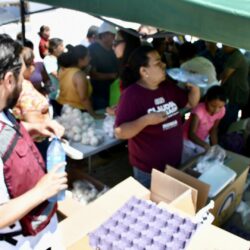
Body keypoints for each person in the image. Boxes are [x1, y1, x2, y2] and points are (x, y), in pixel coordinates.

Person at [0, 34, 67, 249]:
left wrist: (32, 127)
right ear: (9, 79)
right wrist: (41, 191)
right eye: (21, 76)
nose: (25, 82)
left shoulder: (4, 111)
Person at [115, 46, 200, 187]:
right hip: (149, 170)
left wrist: (195, 86)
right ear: (144, 71)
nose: (164, 65)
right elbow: (120, 132)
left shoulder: (167, 86)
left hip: (174, 163)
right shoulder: (131, 95)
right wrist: (146, 120)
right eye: (158, 63)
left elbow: (191, 103)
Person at [182, 86, 227, 164]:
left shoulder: (222, 111)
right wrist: (205, 145)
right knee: (187, 163)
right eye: (213, 106)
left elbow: (213, 130)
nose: (216, 110)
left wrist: (215, 146)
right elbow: (191, 134)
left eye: (220, 107)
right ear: (206, 100)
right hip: (187, 140)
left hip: (202, 138)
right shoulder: (199, 111)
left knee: (201, 161)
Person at [57, 45, 99, 117]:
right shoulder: (79, 75)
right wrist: (94, 115)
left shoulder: (62, 70)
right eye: (88, 56)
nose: (90, 58)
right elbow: (84, 98)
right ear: (80, 60)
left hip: (62, 109)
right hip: (77, 113)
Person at [219, 45, 249, 134]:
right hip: (237, 91)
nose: (223, 47)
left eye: (225, 45)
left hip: (236, 93)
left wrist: (218, 86)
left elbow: (225, 76)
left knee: (228, 120)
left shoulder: (236, 56)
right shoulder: (235, 55)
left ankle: (226, 138)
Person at [88, 22, 119, 110]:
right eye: (112, 35)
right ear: (104, 35)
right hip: (100, 94)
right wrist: (113, 75)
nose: (114, 38)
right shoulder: (92, 49)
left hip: (115, 91)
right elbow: (93, 74)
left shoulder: (114, 48)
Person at [44, 38, 64, 116]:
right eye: (61, 46)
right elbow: (57, 75)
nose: (63, 48)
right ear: (54, 48)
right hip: (55, 95)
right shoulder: (48, 60)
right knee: (58, 116)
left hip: (63, 94)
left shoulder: (60, 58)